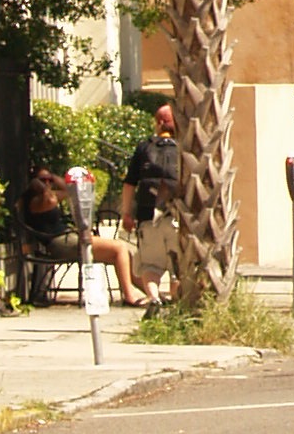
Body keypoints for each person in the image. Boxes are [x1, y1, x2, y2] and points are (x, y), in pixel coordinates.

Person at [25, 159, 154, 309]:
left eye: (49, 180)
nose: (48, 183)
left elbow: (69, 191)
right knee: (119, 248)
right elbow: (70, 190)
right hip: (59, 242)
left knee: (125, 254)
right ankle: (129, 295)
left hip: (68, 237)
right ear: (35, 183)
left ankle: (151, 293)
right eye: (43, 180)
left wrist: (51, 178)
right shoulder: (38, 201)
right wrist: (51, 180)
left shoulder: (44, 197)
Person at [117, 105, 181, 302]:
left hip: (148, 216)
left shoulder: (144, 147)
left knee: (150, 267)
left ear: (159, 122)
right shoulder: (183, 146)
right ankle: (177, 306)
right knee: (177, 269)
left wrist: (126, 214)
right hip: (177, 217)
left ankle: (154, 299)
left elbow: (129, 184)